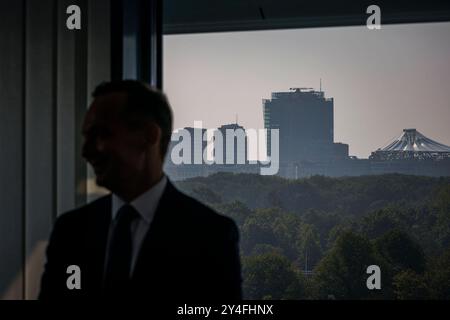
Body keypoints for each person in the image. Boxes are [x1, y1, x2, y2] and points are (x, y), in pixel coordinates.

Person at [39, 80, 242, 300]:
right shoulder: (71, 232)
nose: (86, 151)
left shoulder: (210, 237)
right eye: (86, 136)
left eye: (102, 134)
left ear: (149, 136)